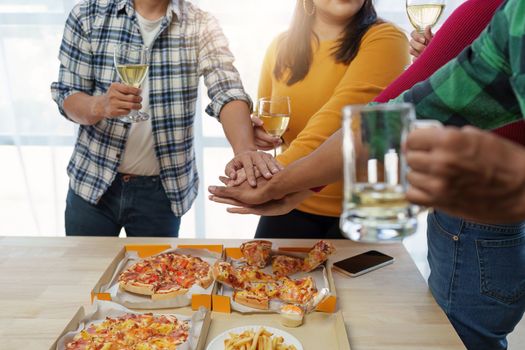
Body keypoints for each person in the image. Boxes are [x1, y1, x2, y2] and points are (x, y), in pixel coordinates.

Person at [210, 0, 525, 348]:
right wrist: (272, 168)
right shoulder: (509, 20)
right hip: (314, 197)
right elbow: (406, 112)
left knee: (399, 327)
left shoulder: (387, 37)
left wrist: (281, 179)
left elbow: (349, 117)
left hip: (375, 203)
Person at [50, 0, 280, 237]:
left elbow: (227, 89)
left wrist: (244, 151)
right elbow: (67, 95)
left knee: (159, 273)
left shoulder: (201, 23)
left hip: (161, 194)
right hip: (92, 183)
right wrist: (101, 105)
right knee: (87, 273)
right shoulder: (87, 14)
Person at [223, 0, 409, 239]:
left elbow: (339, 119)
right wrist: (259, 134)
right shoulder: (280, 46)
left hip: (366, 210)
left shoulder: (387, 39)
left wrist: (267, 178)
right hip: (292, 201)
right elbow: (270, 118)